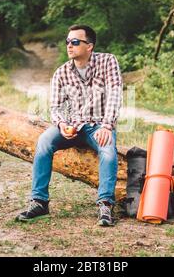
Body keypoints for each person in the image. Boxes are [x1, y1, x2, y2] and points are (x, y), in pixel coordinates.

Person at [16, 24, 123, 226]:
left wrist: (108, 126)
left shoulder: (108, 62)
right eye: (67, 42)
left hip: (99, 125)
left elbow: (115, 95)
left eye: (75, 42)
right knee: (44, 142)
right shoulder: (61, 73)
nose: (69, 46)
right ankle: (39, 201)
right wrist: (62, 124)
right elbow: (56, 107)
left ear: (89, 46)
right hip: (72, 126)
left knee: (108, 152)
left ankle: (105, 205)